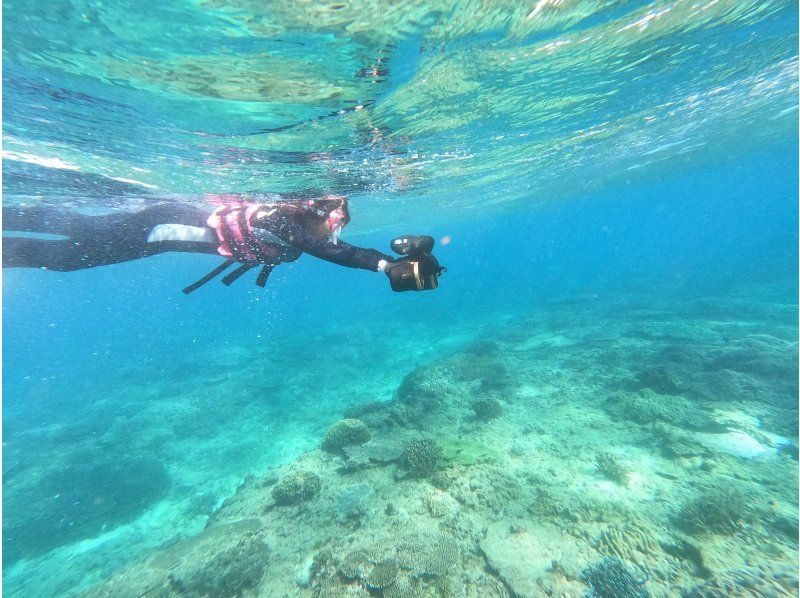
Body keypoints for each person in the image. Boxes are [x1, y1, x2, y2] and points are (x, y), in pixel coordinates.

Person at [2, 195, 444, 293]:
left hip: (157, 235)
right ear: (311, 210)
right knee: (73, 246)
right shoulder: (277, 218)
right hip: (158, 227)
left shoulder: (300, 229)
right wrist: (387, 267)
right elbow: (334, 253)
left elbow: (338, 248)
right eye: (332, 219)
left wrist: (394, 259)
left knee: (75, 242)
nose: (336, 228)